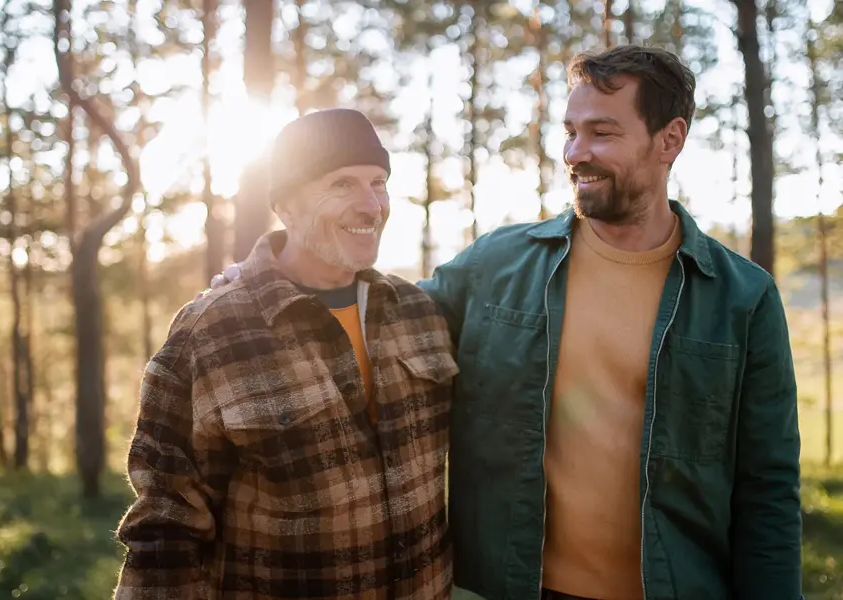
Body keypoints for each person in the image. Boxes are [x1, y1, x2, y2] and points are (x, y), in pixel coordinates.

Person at [210, 45, 803, 600]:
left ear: (669, 139)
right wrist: (270, 277)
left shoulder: (742, 297)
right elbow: (382, 321)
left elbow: (767, 489)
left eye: (602, 133)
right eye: (571, 132)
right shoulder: (496, 265)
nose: (576, 152)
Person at [114, 108, 459, 600]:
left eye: (378, 182)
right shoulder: (212, 331)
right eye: (341, 184)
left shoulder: (420, 314)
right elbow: (164, 532)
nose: (371, 205)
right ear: (287, 206)